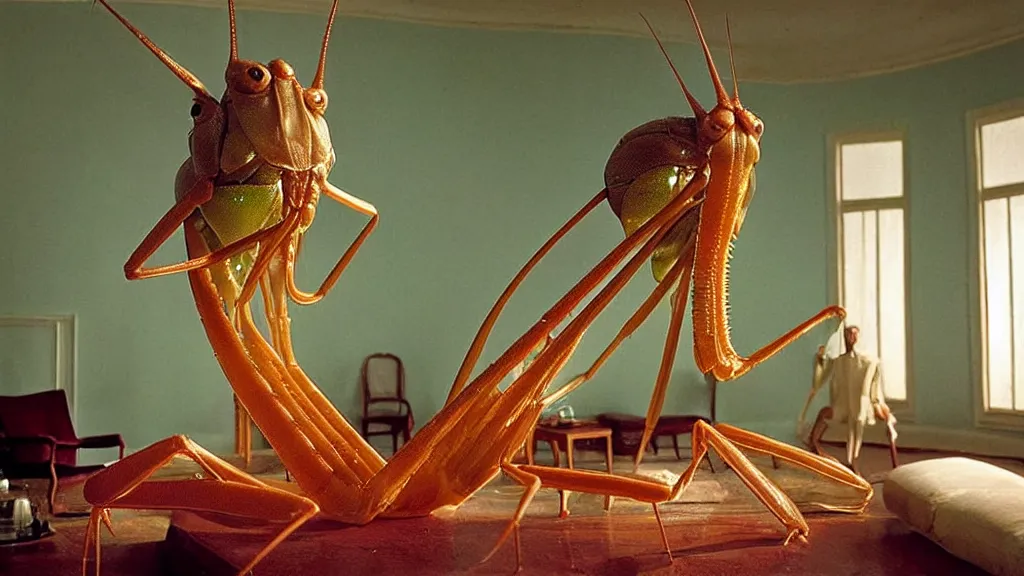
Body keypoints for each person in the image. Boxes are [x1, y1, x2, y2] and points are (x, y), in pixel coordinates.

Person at [799, 325, 898, 474]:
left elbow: (875, 390)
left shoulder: (871, 361)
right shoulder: (838, 360)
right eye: (847, 335)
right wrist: (820, 360)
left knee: (863, 420)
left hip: (863, 406)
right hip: (842, 405)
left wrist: (878, 406)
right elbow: (821, 379)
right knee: (823, 415)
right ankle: (818, 451)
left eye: (854, 334)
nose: (851, 338)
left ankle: (859, 462)